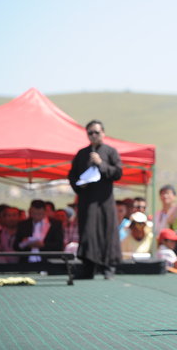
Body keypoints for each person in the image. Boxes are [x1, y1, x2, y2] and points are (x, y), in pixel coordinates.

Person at [68, 119, 122, 279]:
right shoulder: (81, 153)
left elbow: (118, 172)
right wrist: (79, 185)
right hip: (87, 200)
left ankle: (108, 267)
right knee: (88, 232)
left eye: (96, 132)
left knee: (107, 231)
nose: (93, 135)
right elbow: (72, 175)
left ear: (103, 133)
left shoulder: (111, 152)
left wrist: (101, 164)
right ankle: (88, 267)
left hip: (104, 200)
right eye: (90, 133)